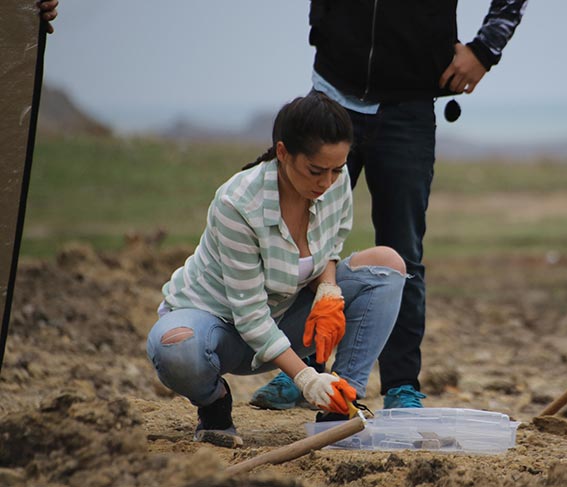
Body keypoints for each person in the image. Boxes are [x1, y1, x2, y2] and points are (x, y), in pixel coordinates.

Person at [249, 0, 528, 411]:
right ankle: (304, 371)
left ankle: (401, 385)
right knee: (303, 237)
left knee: (404, 253)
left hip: (409, 105)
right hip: (332, 89)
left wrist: (487, 48)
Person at [146, 92, 406, 448]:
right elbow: (250, 313)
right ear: (283, 153)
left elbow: (330, 246)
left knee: (387, 265)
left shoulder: (333, 182)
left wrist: (329, 290)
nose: (327, 182)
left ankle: (339, 404)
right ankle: (214, 404)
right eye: (315, 170)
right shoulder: (237, 204)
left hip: (284, 315)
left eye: (337, 169)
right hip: (220, 328)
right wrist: (306, 378)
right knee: (174, 348)